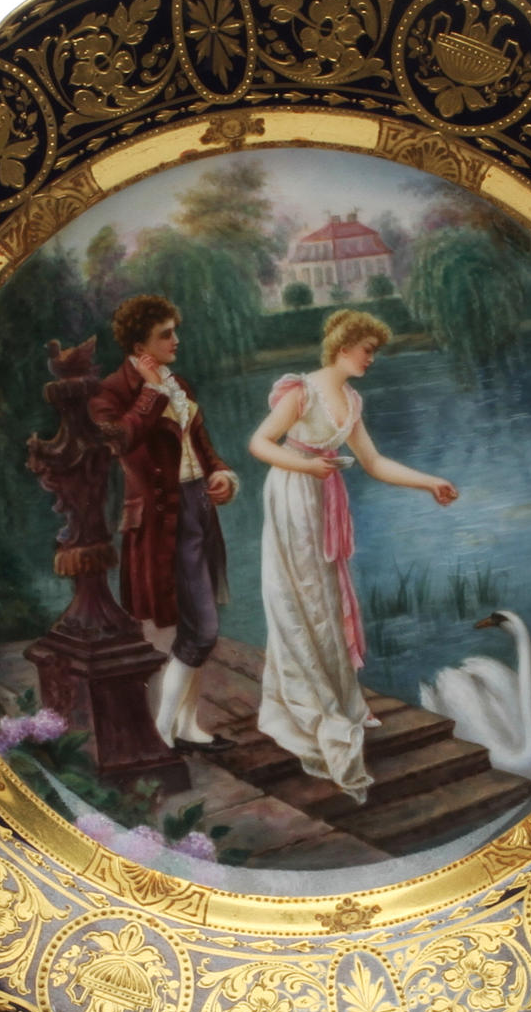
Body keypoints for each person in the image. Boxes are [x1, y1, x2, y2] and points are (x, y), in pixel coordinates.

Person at [248, 310, 457, 801]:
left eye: (373, 351)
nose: (371, 359)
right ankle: (312, 700)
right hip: (293, 496)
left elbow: (374, 462)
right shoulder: (303, 391)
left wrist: (430, 482)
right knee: (304, 598)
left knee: (325, 598)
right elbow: (259, 443)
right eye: (367, 350)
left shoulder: (352, 400)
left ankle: (334, 693)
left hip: (323, 498)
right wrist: (306, 466)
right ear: (343, 348)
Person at [89, 294, 237, 753]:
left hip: (199, 507)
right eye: (165, 334)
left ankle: (187, 727)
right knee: (200, 631)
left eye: (175, 331)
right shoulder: (112, 392)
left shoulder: (180, 384)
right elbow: (120, 440)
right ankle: (161, 731)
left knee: (197, 627)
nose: (176, 340)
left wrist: (221, 475)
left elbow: (202, 447)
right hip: (161, 518)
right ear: (140, 346)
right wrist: (151, 392)